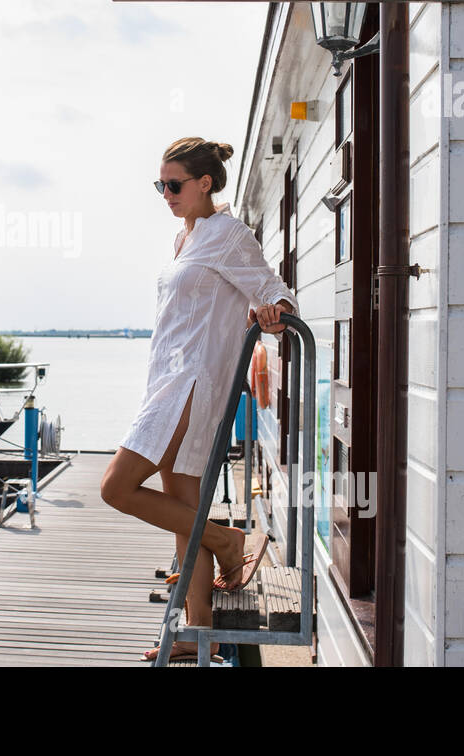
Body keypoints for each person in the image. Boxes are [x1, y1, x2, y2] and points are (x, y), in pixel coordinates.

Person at [100, 136, 298, 663]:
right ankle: (197, 631)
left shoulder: (230, 234)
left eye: (173, 184)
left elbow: (273, 288)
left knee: (115, 487)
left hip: (193, 384)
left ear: (204, 183)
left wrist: (273, 308)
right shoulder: (184, 239)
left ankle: (227, 542)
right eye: (160, 185)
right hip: (164, 381)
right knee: (181, 508)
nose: (165, 193)